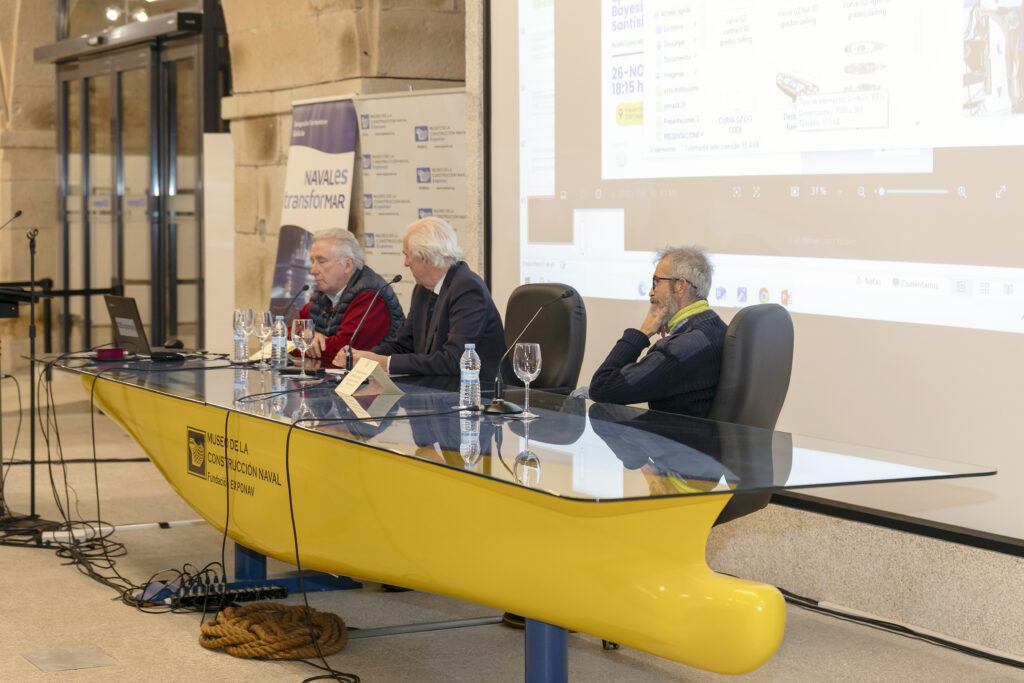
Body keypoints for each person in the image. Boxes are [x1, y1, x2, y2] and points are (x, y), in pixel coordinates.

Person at [341, 217, 506, 378]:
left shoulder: (467, 289)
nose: (405, 263)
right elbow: (402, 345)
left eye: (407, 255)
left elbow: (455, 360)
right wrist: (363, 358)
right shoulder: (422, 289)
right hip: (437, 387)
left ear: (423, 256)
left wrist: (385, 363)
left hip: (479, 390)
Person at [588, 246, 727, 417]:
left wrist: (643, 332)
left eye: (656, 282)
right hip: (688, 429)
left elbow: (602, 387)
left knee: (598, 411)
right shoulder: (716, 327)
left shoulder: (681, 349)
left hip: (670, 433)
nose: (650, 292)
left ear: (680, 286)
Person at [293, 228, 405, 365]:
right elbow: (293, 329)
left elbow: (344, 350)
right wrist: (307, 335)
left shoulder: (370, 296)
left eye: (321, 261)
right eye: (312, 262)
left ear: (347, 265)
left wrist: (302, 344)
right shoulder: (323, 293)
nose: (313, 270)